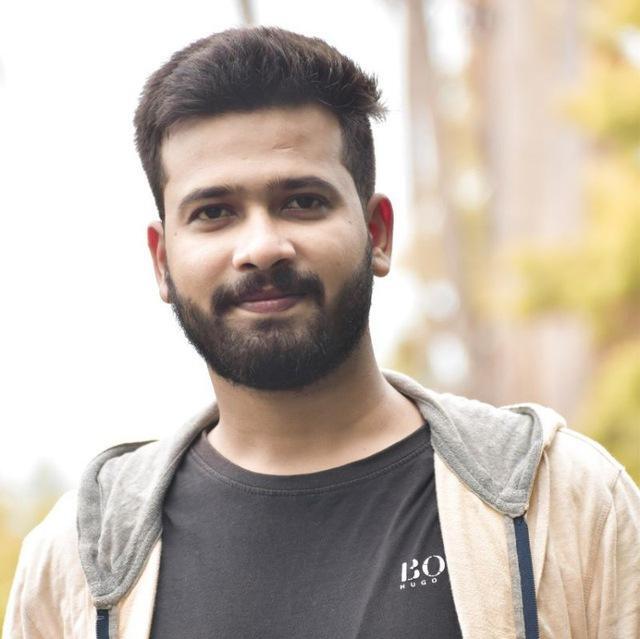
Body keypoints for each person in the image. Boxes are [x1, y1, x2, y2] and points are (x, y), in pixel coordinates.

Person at [4, 26, 639, 639]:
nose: (262, 247)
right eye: (214, 212)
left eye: (302, 201)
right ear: (162, 260)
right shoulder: (75, 563)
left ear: (378, 233)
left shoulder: (565, 502)